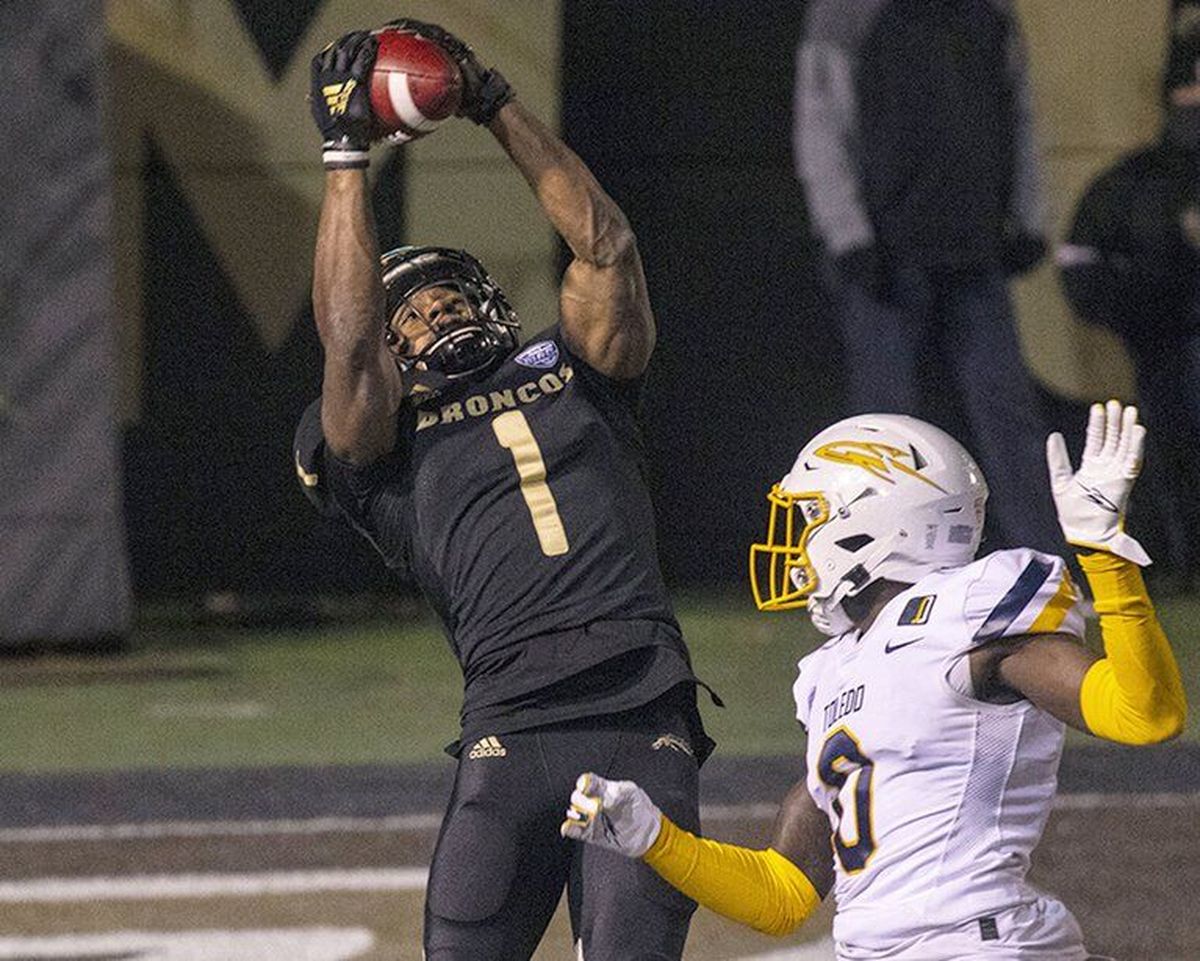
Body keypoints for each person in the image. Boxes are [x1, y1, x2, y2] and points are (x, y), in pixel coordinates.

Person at [297, 20, 714, 961]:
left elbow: (605, 247)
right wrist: (344, 156)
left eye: (447, 292)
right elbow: (349, 343)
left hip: (640, 711)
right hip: (509, 728)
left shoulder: (578, 366)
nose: (434, 310)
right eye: (410, 309)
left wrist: (495, 105)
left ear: (490, 298)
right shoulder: (382, 431)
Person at [563, 403, 1186, 960]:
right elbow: (782, 895)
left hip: (978, 944)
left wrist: (1106, 556)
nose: (801, 543)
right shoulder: (830, 671)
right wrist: (654, 839)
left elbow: (1143, 713)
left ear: (872, 520)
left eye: (811, 517)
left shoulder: (967, 610)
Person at [795, 0, 1061, 556]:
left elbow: (1018, 114)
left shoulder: (989, 12)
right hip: (886, 258)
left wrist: (1029, 218)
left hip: (975, 250)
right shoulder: (847, 11)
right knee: (886, 438)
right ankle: (882, 570)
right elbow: (820, 121)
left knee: (1010, 424)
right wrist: (848, 235)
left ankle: (1046, 569)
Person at [1057, 3, 1200, 587]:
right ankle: (1187, 559)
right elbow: (1082, 266)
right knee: (1175, 445)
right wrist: (1146, 310)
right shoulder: (1137, 181)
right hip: (1166, 343)